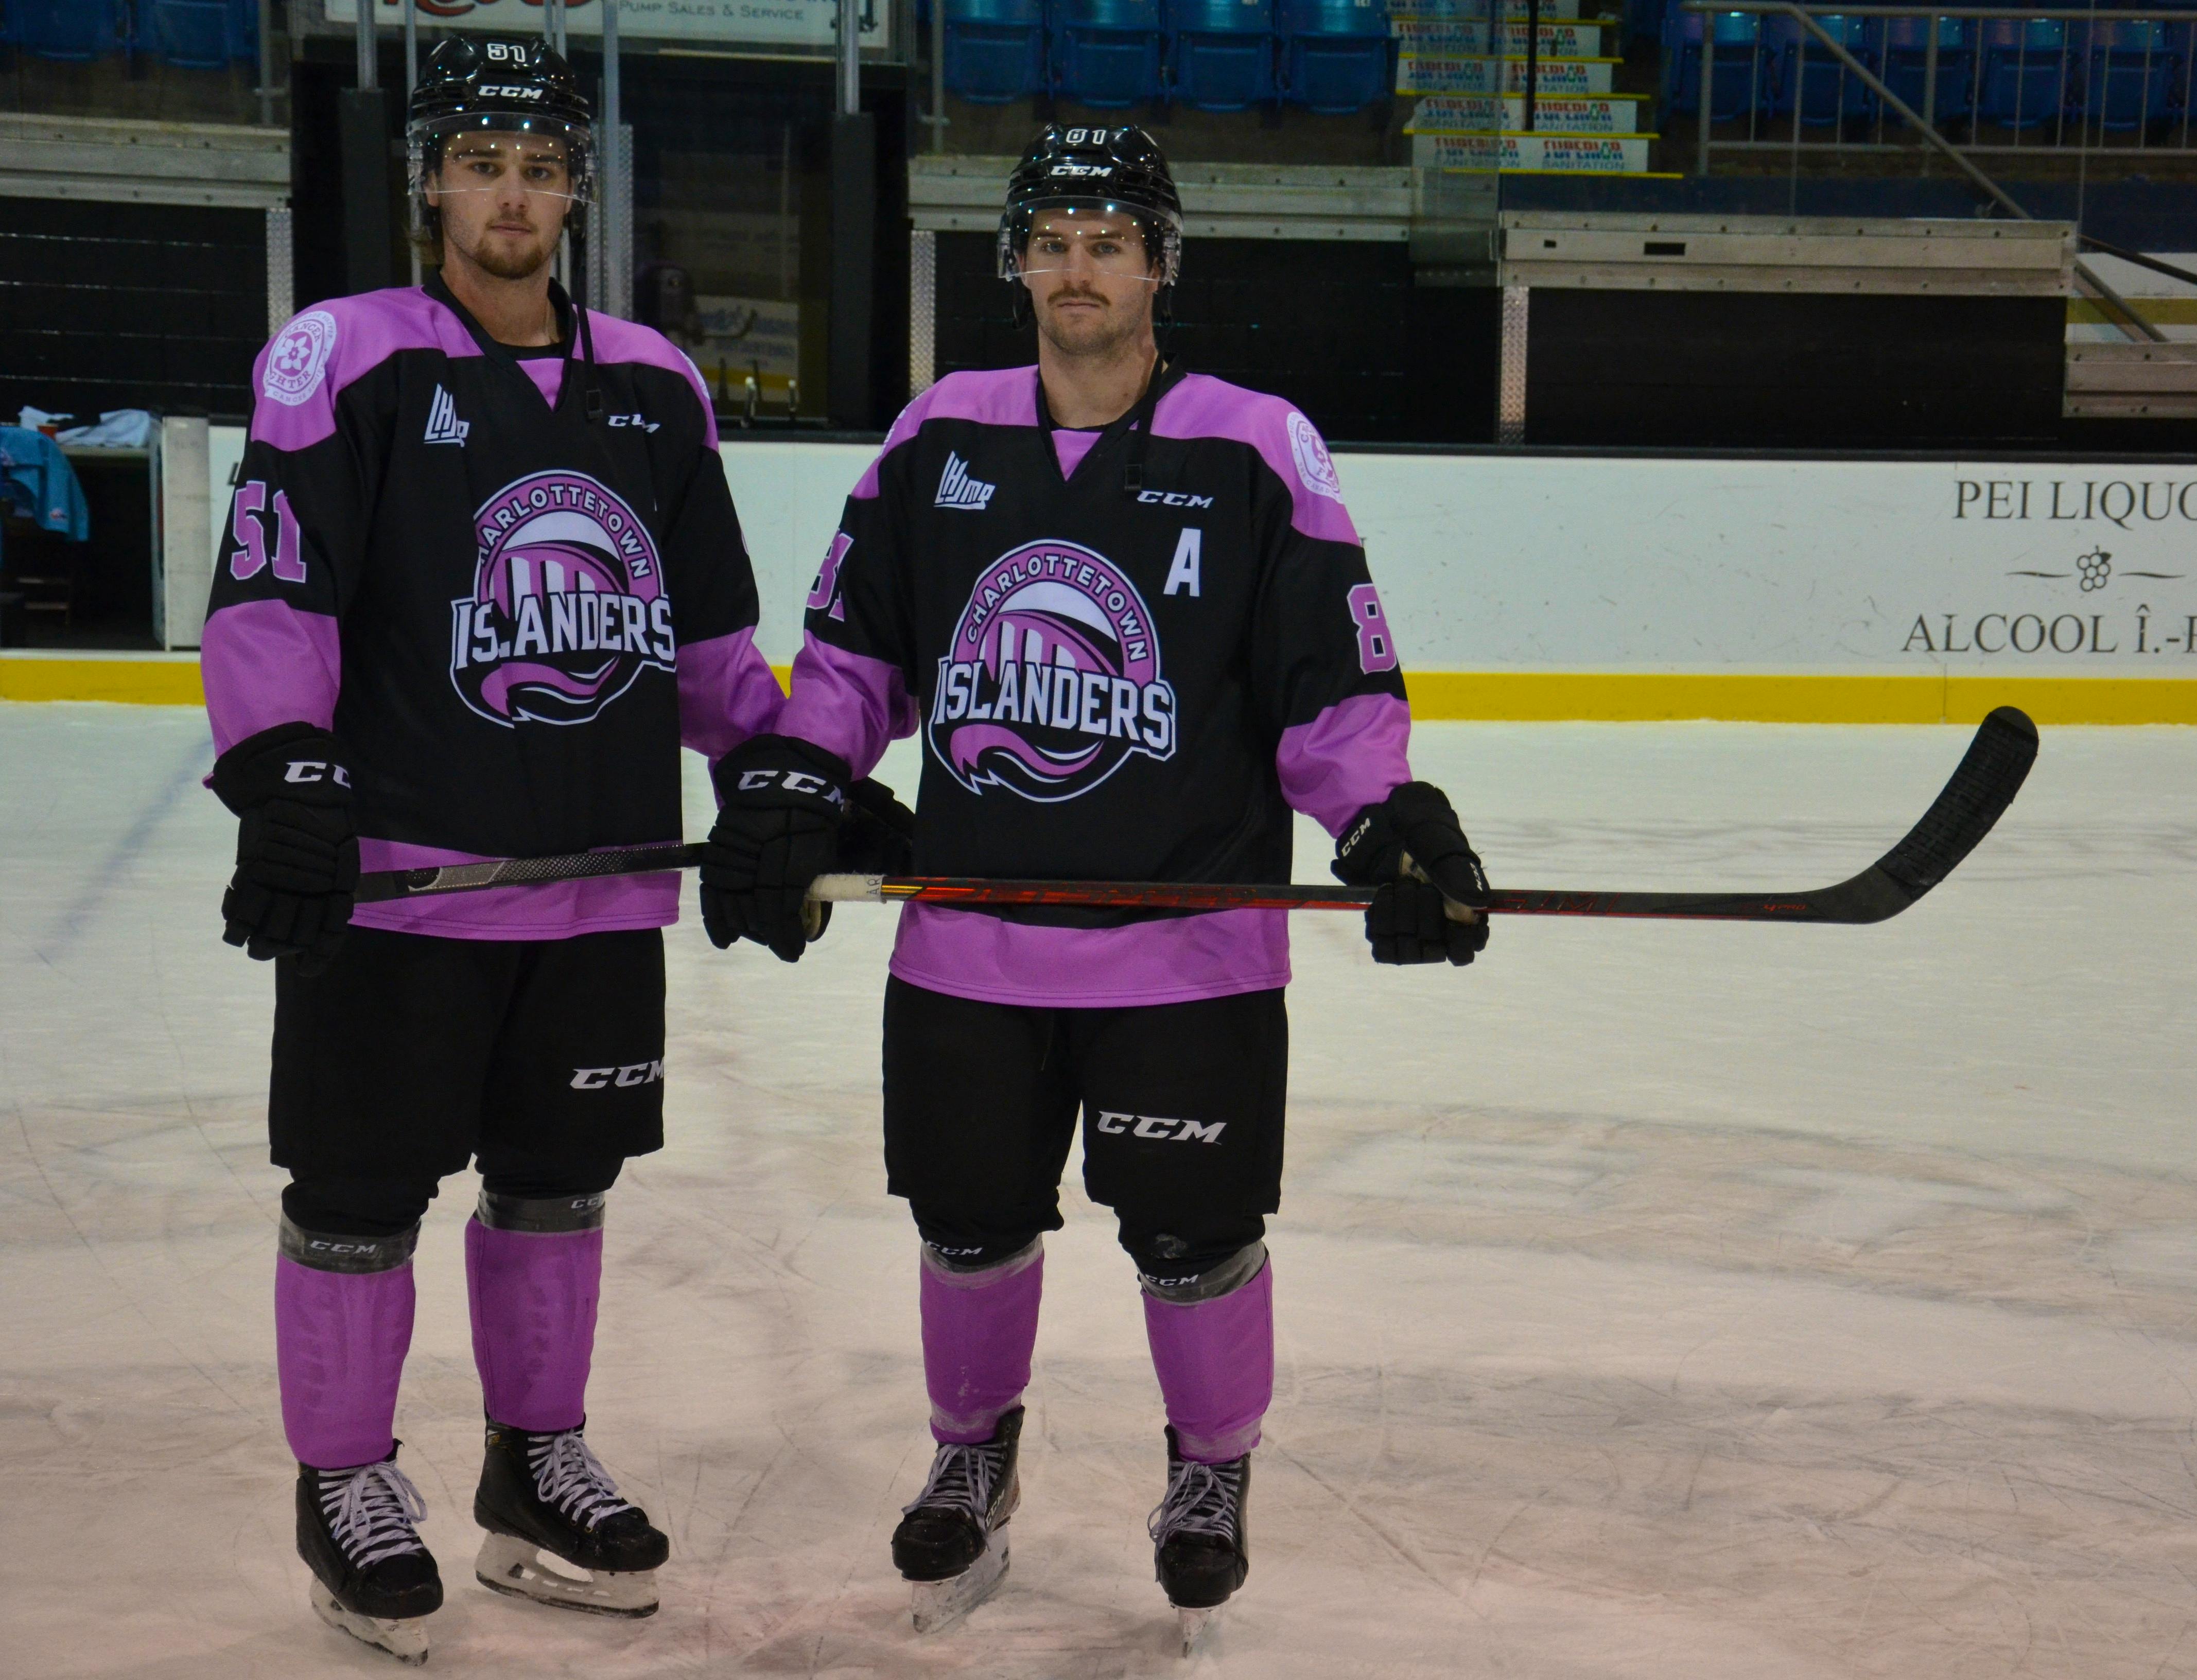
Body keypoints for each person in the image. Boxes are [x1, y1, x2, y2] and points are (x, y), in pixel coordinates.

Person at [700, 123, 1491, 1644]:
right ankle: (972, 1451)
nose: (1078, 269)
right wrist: (803, 775)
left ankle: (1209, 1472)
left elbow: (1329, 687)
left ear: (1159, 265)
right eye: (1052, 241)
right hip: (970, 947)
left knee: (1193, 1236)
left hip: (1184, 949)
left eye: (1108, 242)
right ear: (1016, 263)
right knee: (968, 1223)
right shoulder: (941, 434)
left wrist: (1382, 817)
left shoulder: (1256, 444)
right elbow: (862, 656)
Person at [199, 36, 865, 1664]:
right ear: (431, 177)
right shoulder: (346, 356)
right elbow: (276, 592)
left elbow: (705, 643)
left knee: (559, 1188)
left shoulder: (652, 381)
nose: (512, 192)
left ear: (577, 185)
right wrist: (283, 767)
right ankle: (344, 1482)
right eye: (482, 161)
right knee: (357, 1196)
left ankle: (530, 1461)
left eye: (541, 164)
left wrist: (793, 772)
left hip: (595, 882)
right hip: (409, 888)